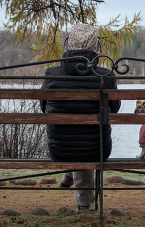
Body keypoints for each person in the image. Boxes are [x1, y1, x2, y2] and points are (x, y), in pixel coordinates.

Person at [40, 24, 121, 212]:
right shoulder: (106, 75)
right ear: (97, 48)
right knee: (86, 140)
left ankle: (68, 179)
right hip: (97, 150)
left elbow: (44, 108)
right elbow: (114, 110)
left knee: (74, 138)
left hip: (59, 149)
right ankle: (84, 206)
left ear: (68, 44)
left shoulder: (52, 74)